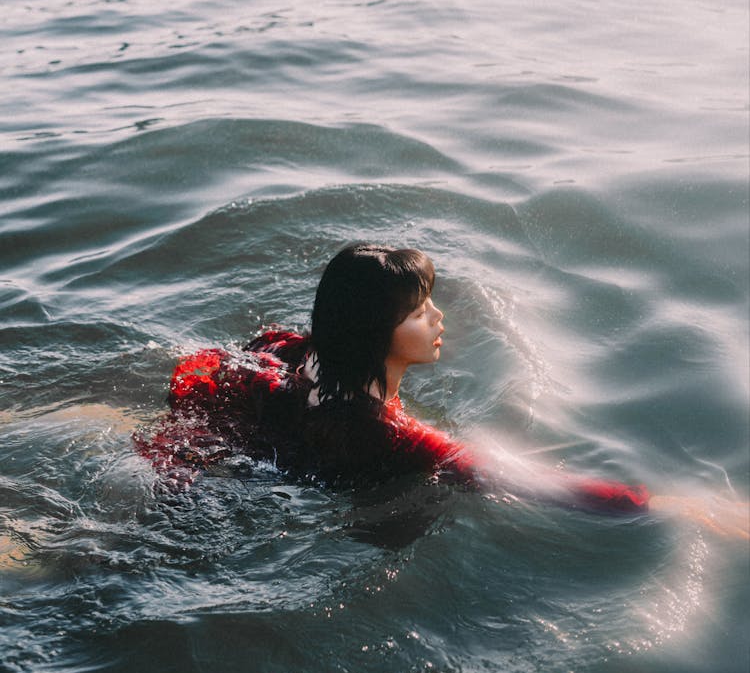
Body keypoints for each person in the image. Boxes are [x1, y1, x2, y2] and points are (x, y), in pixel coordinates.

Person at [135, 244, 748, 534]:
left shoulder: (300, 353)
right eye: (419, 310)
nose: (438, 318)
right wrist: (678, 506)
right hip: (251, 500)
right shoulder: (394, 437)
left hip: (228, 462)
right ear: (377, 332)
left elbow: (230, 361)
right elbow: (540, 486)